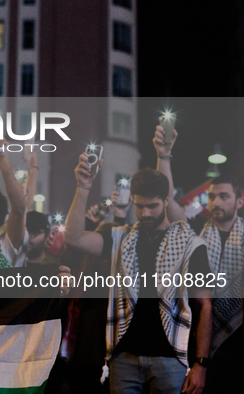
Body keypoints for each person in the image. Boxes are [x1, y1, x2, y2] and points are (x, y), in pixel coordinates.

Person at [64, 154, 212, 394]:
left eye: (152, 206)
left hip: (171, 359)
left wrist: (201, 364)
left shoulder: (190, 244)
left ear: (166, 200)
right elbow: (73, 238)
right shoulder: (120, 237)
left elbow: (204, 305)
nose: (145, 214)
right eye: (140, 206)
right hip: (124, 358)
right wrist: (83, 186)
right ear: (132, 200)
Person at [154, 123, 244, 393]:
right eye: (212, 197)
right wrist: (164, 155)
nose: (216, 202)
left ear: (239, 202)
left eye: (224, 197)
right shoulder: (196, 235)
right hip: (200, 342)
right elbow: (169, 203)